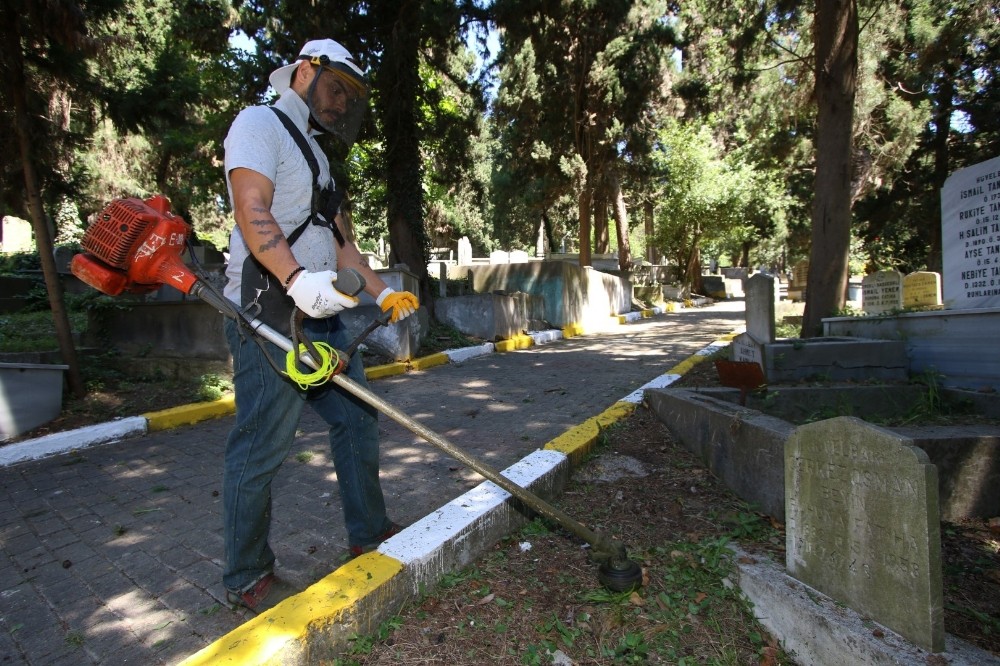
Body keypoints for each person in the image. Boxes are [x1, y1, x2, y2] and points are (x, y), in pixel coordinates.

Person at [220, 38, 419, 611]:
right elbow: (250, 205)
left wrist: (384, 295)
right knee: (261, 445)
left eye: (349, 97)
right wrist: (292, 277)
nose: (339, 104)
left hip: (323, 315)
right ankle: (246, 577)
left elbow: (342, 244)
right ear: (304, 72)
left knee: (357, 420)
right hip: (270, 316)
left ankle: (369, 533)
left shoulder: (319, 157)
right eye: (335, 89)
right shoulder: (259, 122)